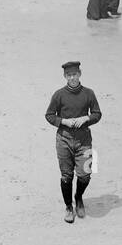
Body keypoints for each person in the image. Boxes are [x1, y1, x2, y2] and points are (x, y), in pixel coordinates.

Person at [44, 61, 102, 223]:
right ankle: (69, 206)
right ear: (65, 76)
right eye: (69, 75)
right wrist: (64, 121)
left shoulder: (89, 93)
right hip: (64, 140)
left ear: (80, 74)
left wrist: (86, 118)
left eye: (75, 74)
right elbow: (49, 115)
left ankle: (79, 197)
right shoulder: (59, 95)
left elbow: (97, 114)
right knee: (66, 176)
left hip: (85, 141)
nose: (72, 78)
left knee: (86, 175)